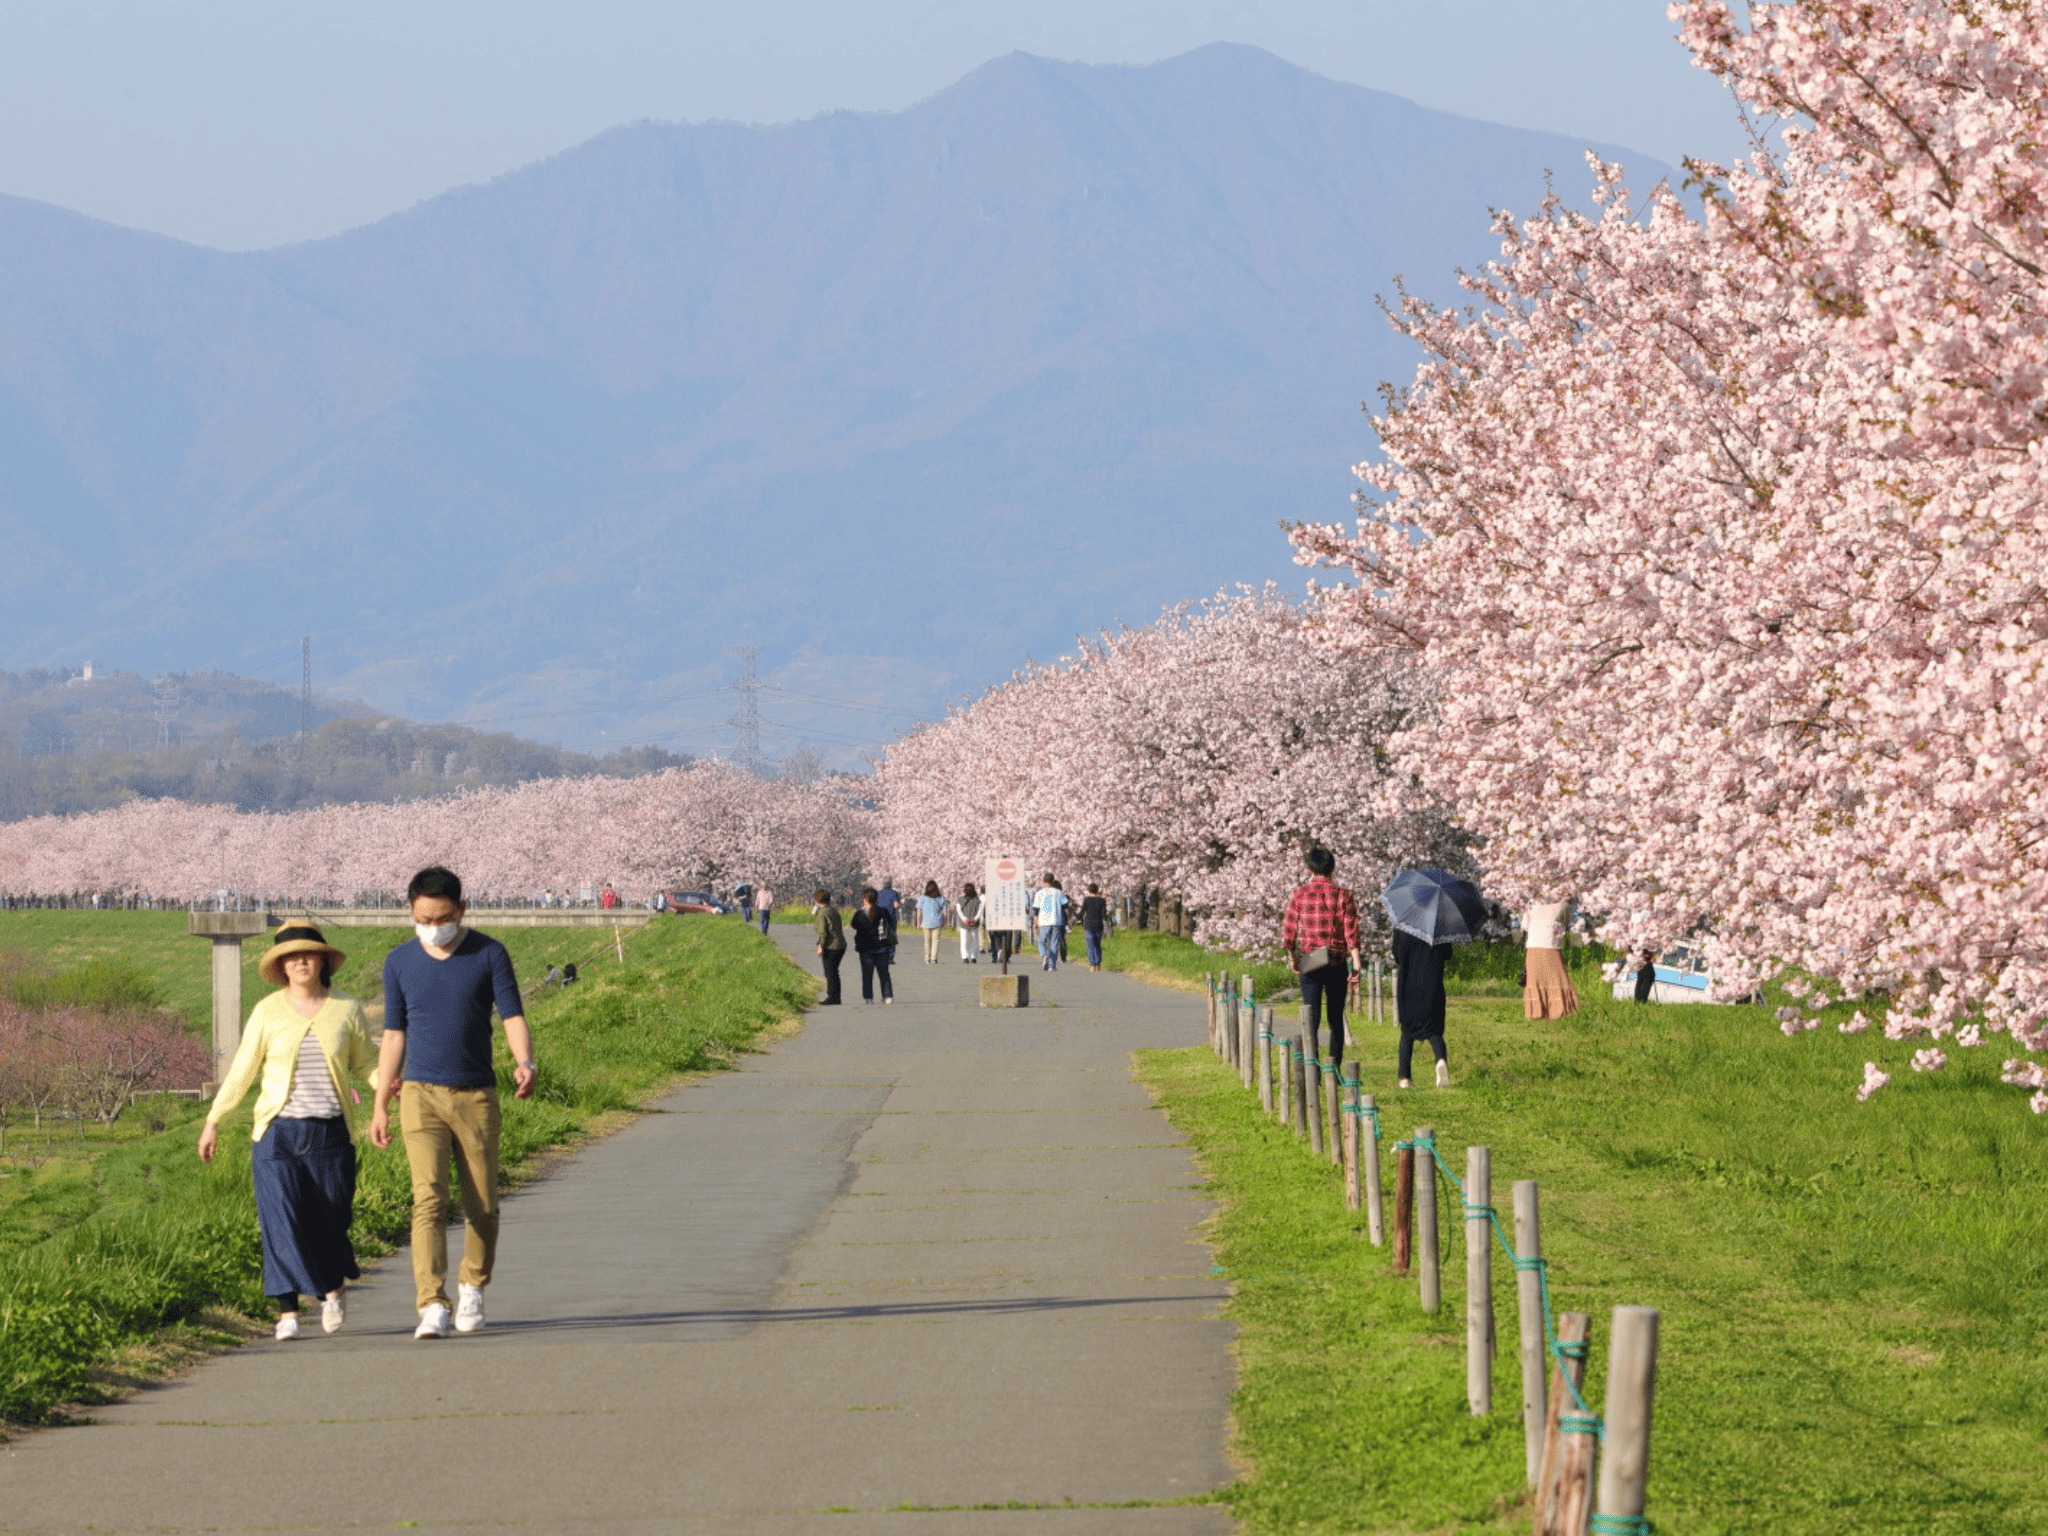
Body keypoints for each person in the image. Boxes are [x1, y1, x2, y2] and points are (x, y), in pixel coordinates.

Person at [370, 866, 537, 1340]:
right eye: (423, 919)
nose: (433, 927)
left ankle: (473, 1285)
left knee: (481, 1202)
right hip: (419, 1094)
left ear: (461, 910)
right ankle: (431, 1303)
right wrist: (381, 1102)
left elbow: (511, 1015)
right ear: (411, 912)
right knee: (427, 1197)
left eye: (442, 918)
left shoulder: (489, 954)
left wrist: (525, 1061)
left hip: (474, 1094)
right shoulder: (399, 962)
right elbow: (394, 1035)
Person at [198, 923, 377, 1341]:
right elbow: (243, 1069)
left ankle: (332, 1287)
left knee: (331, 1220)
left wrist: (387, 1086)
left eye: (309, 953)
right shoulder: (267, 1011)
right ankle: (287, 1313)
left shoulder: (346, 1008)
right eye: (291, 956)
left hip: (330, 1134)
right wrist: (213, 1120)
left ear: (323, 960)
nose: (301, 961)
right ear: (281, 966)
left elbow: (365, 1062)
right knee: (280, 1221)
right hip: (276, 1134)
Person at [1282, 847, 1363, 1070]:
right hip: (1336, 961)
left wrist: (1292, 956)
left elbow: (1289, 932)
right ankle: (1334, 1069)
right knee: (1335, 1018)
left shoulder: (1299, 894)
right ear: (1332, 868)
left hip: (1310, 961)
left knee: (1311, 1018)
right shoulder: (1343, 895)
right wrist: (1356, 963)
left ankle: (1312, 1069)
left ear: (1309, 869)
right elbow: (1351, 932)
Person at [1392, 927, 1453, 1088]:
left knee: (1407, 1031)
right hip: (1432, 984)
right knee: (1434, 1030)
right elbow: (1448, 954)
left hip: (1408, 985)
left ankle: (1404, 1077)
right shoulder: (1438, 926)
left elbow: (1397, 956)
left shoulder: (1402, 926)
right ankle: (1440, 1060)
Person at [1522, 900, 1581, 1019]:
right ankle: (1560, 1010)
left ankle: (1536, 1012)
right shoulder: (1563, 903)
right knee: (1558, 978)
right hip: (1551, 944)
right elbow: (1566, 923)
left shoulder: (1532, 902)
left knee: (1535, 980)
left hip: (1534, 944)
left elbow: (1525, 925)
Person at [849, 887, 896, 1004]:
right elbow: (891, 923)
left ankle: (869, 998)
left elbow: (853, 925)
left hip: (866, 948)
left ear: (865, 899)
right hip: (882, 947)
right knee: (884, 973)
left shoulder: (860, 914)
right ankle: (887, 996)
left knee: (867, 974)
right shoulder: (883, 911)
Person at [813, 889, 846, 1004]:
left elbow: (823, 932)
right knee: (834, 972)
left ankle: (831, 997)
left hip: (831, 946)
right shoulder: (833, 910)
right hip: (840, 944)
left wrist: (820, 946)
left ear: (817, 900)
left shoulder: (822, 913)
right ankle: (836, 997)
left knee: (830, 973)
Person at [1034, 877, 1070, 972]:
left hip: (1044, 921)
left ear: (1043, 881)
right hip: (1056, 920)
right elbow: (1066, 904)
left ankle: (1044, 956)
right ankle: (1052, 965)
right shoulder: (1059, 892)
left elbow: (1036, 910)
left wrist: (1035, 922)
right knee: (1054, 943)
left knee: (1041, 941)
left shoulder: (1039, 893)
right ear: (1052, 881)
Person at [1079, 884, 1110, 971]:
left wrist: (1075, 919)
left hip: (1088, 925)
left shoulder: (1086, 900)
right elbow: (1104, 915)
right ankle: (1098, 964)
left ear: (1089, 890)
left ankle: (1092, 965)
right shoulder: (1102, 901)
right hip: (1098, 925)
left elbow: (1081, 912)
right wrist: (1107, 924)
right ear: (1097, 890)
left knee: (1090, 946)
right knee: (1097, 945)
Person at [916, 881, 948, 965]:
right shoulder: (941, 898)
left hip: (926, 923)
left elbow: (918, 911)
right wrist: (945, 922)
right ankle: (934, 958)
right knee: (936, 941)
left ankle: (927, 958)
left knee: (927, 941)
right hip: (937, 922)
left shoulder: (922, 898)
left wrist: (918, 923)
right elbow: (945, 912)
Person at [958, 882, 983, 963]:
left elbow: (959, 911)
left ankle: (965, 957)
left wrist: (964, 919)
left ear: (964, 890)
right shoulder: (977, 900)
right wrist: (975, 919)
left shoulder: (960, 900)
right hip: (974, 923)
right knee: (975, 940)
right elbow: (980, 911)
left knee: (964, 940)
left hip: (964, 923)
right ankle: (973, 957)